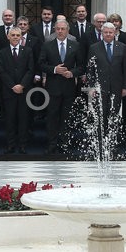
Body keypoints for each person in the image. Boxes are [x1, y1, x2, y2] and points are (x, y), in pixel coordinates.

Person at [39, 19, 83, 154]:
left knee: (67, 117)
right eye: (57, 29)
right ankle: (52, 144)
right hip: (53, 87)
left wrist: (72, 73)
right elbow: (40, 64)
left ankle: (65, 143)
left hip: (69, 87)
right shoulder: (47, 45)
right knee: (52, 117)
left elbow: (82, 66)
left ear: (67, 30)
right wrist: (54, 69)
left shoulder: (75, 45)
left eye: (62, 29)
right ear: (54, 30)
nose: (60, 31)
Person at [86, 22, 126, 143]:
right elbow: (90, 69)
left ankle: (112, 141)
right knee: (101, 114)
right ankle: (101, 141)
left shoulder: (122, 47)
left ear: (115, 33)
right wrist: (91, 87)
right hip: (100, 87)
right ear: (102, 33)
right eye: (105, 32)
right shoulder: (94, 47)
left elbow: (125, 69)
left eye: (111, 32)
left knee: (114, 114)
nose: (108, 34)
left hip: (117, 87)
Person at [0, 27, 34, 154]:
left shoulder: (28, 51)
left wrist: (21, 85)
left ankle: (23, 145)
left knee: (24, 119)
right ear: (8, 37)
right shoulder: (2, 53)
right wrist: (13, 86)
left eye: (18, 35)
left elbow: (30, 70)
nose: (15, 37)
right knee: (10, 119)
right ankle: (10, 145)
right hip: (9, 91)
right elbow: (2, 72)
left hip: (24, 91)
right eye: (13, 35)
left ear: (21, 37)